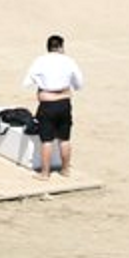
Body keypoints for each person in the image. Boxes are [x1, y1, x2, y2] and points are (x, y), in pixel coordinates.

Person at [23, 34, 84, 178]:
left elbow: (26, 82)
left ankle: (45, 173)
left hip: (47, 103)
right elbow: (79, 83)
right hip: (64, 102)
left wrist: (41, 83)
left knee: (47, 140)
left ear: (48, 47)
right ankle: (65, 170)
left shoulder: (40, 61)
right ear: (61, 47)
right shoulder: (68, 61)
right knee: (65, 139)